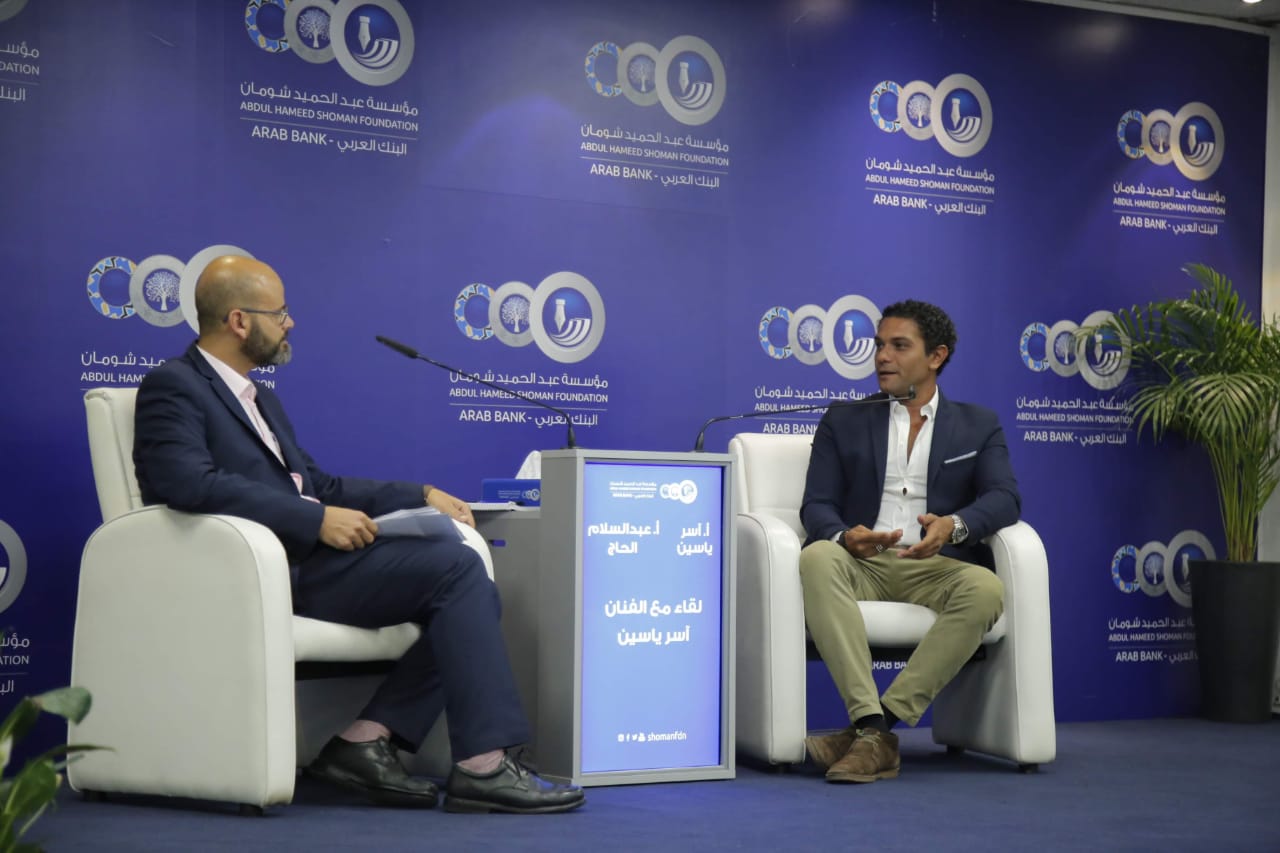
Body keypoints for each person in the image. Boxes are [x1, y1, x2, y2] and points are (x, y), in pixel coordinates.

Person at [132, 254, 584, 814]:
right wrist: (314, 520)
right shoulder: (174, 386)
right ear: (240, 321)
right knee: (457, 573)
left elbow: (318, 484)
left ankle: (365, 742)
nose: (290, 323)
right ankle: (481, 766)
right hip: (261, 571)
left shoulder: (260, 398)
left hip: (309, 562)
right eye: (280, 313)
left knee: (463, 579)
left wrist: (419, 495)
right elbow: (185, 483)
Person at [797, 299, 1019, 784]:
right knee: (817, 557)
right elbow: (816, 505)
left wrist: (953, 526)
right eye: (880, 345)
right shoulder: (844, 419)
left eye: (899, 346)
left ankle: (875, 733)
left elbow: (1005, 498)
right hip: (862, 563)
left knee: (985, 589)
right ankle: (871, 724)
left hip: (933, 566)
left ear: (936, 356)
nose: (882, 357)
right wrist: (844, 536)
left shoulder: (977, 424)